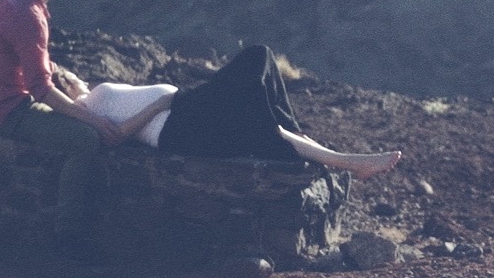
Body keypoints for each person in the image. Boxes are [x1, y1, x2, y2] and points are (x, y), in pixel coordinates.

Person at [0, 0, 124, 257]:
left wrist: (63, 74)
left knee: (80, 124)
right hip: (7, 111)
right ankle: (67, 237)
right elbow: (41, 89)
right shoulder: (29, 14)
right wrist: (93, 120)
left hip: (1, 100)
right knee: (84, 139)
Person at [69, 44, 403, 179]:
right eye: (62, 77)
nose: (70, 74)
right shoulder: (83, 108)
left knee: (263, 59)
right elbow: (115, 138)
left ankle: (325, 149)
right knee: (255, 60)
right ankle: (345, 160)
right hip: (175, 125)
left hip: (183, 112)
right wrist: (158, 105)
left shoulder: (91, 96)